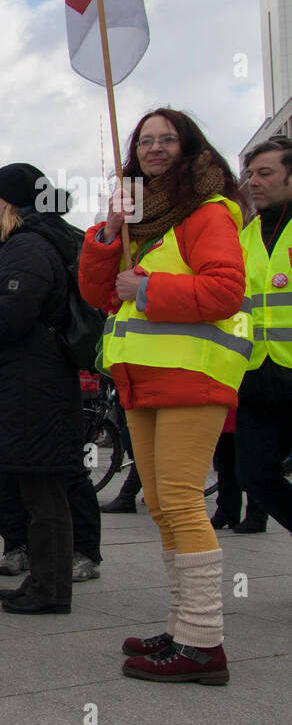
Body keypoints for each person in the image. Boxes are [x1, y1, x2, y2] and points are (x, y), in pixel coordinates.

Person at [78, 108, 247, 684]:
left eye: (166, 139)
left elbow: (225, 289)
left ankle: (203, 644)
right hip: (142, 378)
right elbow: (99, 291)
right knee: (161, 504)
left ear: (189, 146)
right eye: (145, 140)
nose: (154, 148)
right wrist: (106, 231)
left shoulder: (209, 211)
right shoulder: (140, 217)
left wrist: (146, 289)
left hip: (191, 375)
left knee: (179, 501)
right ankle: (183, 629)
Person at [0, 163, 82, 615]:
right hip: (32, 382)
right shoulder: (30, 243)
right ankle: (45, 581)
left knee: (43, 490)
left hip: (32, 385)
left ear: (9, 201)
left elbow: (12, 314)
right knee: (39, 487)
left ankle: (50, 589)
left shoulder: (27, 247)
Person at [234, 137, 292, 535]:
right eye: (250, 173)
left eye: (265, 173)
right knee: (252, 474)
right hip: (257, 377)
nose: (253, 181)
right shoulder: (244, 238)